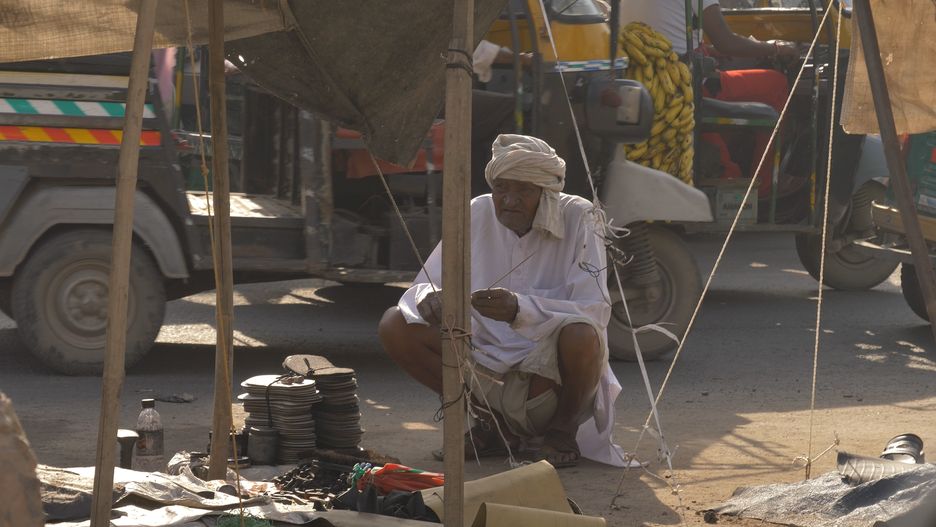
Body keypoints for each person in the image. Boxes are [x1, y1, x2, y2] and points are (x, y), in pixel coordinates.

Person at [378, 134, 624, 468]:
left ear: (547, 192)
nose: (509, 200)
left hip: (548, 378)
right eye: (502, 189)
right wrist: (431, 298)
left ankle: (560, 433)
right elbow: (426, 282)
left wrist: (520, 309)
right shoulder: (478, 211)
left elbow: (595, 311)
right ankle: (491, 425)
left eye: (524, 191)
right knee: (395, 323)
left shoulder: (581, 216)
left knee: (582, 334)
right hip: (484, 368)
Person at [621, 1, 799, 195]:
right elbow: (727, 41)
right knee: (777, 84)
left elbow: (667, 33)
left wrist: (709, 50)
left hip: (647, 85)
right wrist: (777, 48)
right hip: (688, 86)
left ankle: (728, 171)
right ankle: (766, 185)